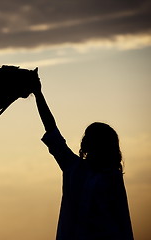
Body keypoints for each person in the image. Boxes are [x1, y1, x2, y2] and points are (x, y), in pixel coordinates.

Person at [32, 78, 134, 240]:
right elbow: (51, 129)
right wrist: (38, 94)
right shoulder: (73, 167)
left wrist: (38, 94)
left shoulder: (108, 176)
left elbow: (123, 220)